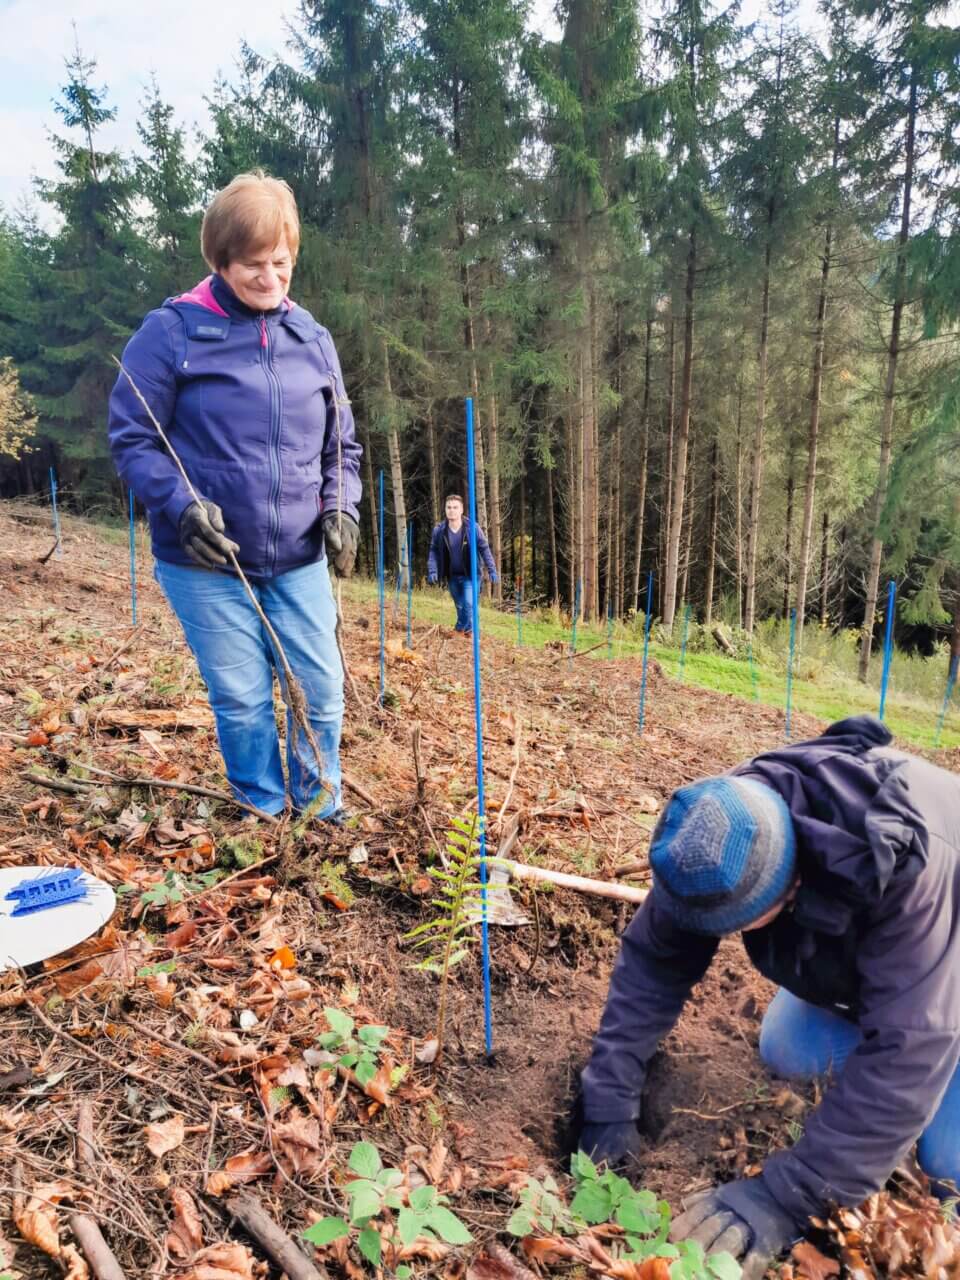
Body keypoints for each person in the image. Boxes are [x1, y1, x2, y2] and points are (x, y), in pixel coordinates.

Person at [578, 715, 960, 1279]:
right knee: (788, 1047)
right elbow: (655, 959)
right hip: (913, 976)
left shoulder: (904, 867)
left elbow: (913, 1042)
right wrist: (607, 1101)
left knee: (947, 1163)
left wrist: (789, 1195)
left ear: (792, 884)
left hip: (948, 954)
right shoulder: (720, 825)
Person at [108, 171, 362, 822]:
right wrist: (181, 505)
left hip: (298, 557)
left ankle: (319, 810)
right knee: (243, 698)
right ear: (220, 261)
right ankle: (264, 812)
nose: (271, 278)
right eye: (253, 265)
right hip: (207, 561)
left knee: (320, 689)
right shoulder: (171, 333)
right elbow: (133, 437)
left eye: (281, 262)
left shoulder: (312, 340)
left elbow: (341, 446)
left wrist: (342, 508)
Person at [427, 494, 498, 635]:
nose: (451, 510)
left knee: (469, 604)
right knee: (460, 606)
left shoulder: (472, 528)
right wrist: (432, 570)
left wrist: (492, 570)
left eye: (455, 507)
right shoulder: (439, 530)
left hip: (471, 575)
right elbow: (433, 551)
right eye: (448, 507)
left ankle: (461, 630)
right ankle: (467, 633)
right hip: (452, 576)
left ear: (461, 510)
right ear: (445, 509)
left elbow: (484, 548)